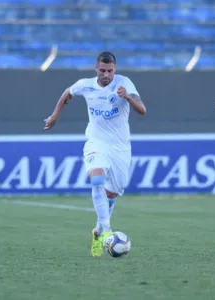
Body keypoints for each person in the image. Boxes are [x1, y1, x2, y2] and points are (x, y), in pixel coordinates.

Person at [43, 51, 147, 257]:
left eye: (110, 71)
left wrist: (126, 96)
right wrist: (55, 116)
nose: (106, 74)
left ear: (114, 69)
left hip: (119, 147)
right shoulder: (85, 84)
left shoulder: (124, 83)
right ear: (95, 68)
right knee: (97, 179)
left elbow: (142, 110)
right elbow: (67, 93)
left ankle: (99, 232)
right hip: (96, 142)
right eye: (102, 70)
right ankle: (108, 231)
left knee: (111, 195)